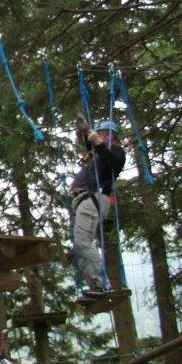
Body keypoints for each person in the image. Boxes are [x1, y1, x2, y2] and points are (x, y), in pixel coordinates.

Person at [69, 118, 127, 295]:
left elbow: (111, 160)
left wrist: (95, 139)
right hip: (87, 200)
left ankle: (100, 285)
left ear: (110, 136)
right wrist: (86, 133)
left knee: (83, 241)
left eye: (101, 134)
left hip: (94, 198)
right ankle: (96, 285)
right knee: (81, 243)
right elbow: (93, 147)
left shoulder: (116, 151)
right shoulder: (99, 153)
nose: (98, 138)